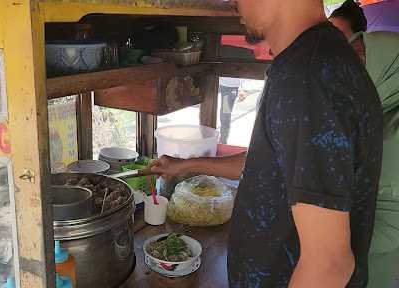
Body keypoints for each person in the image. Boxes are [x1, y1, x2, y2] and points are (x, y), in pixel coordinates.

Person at [151, 0, 383, 286]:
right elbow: (272, 165)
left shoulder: (305, 77)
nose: (235, 3)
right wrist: (185, 165)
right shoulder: (321, 60)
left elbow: (329, 264)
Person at [330, 2, 399, 287]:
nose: (352, 71)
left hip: (371, 262)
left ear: (390, 68)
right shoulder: (364, 113)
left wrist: (317, 244)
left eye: (361, 61)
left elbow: (391, 224)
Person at [218, 78, 248, 144]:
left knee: (225, 115)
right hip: (215, 81)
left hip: (230, 87)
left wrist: (242, 88)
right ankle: (208, 139)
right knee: (208, 110)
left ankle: (223, 141)